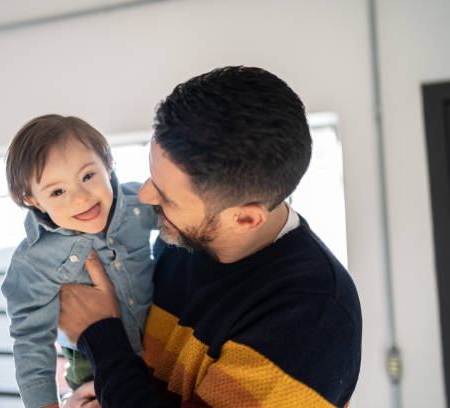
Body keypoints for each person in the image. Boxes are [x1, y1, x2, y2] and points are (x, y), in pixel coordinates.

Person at [58, 66, 362, 407]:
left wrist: (99, 335)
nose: (144, 196)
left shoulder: (312, 318)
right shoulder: (183, 239)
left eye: (166, 196)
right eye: (152, 175)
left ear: (244, 218)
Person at [1, 114, 157, 408]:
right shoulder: (33, 263)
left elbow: (185, 215)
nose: (80, 198)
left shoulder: (138, 205)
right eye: (57, 192)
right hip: (90, 366)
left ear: (108, 163)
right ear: (34, 201)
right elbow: (31, 340)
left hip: (159, 347)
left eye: (88, 176)